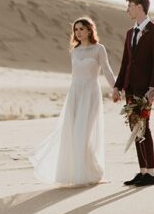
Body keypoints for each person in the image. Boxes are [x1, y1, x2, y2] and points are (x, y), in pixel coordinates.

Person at [30, 18, 117, 186]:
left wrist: (115, 88)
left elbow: (106, 69)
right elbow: (75, 76)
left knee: (83, 134)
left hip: (91, 94)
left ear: (90, 30)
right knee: (72, 133)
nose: (78, 32)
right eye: (76, 29)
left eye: (81, 29)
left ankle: (90, 172)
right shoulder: (74, 51)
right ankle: (79, 173)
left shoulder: (99, 49)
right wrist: (72, 95)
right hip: (75, 94)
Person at [112, 0, 154, 186]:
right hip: (130, 88)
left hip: (144, 90)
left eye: (130, 6)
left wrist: (153, 89)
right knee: (135, 128)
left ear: (140, 7)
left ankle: (151, 172)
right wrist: (118, 86)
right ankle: (142, 171)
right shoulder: (130, 33)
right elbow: (126, 62)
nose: (127, 10)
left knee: (144, 127)